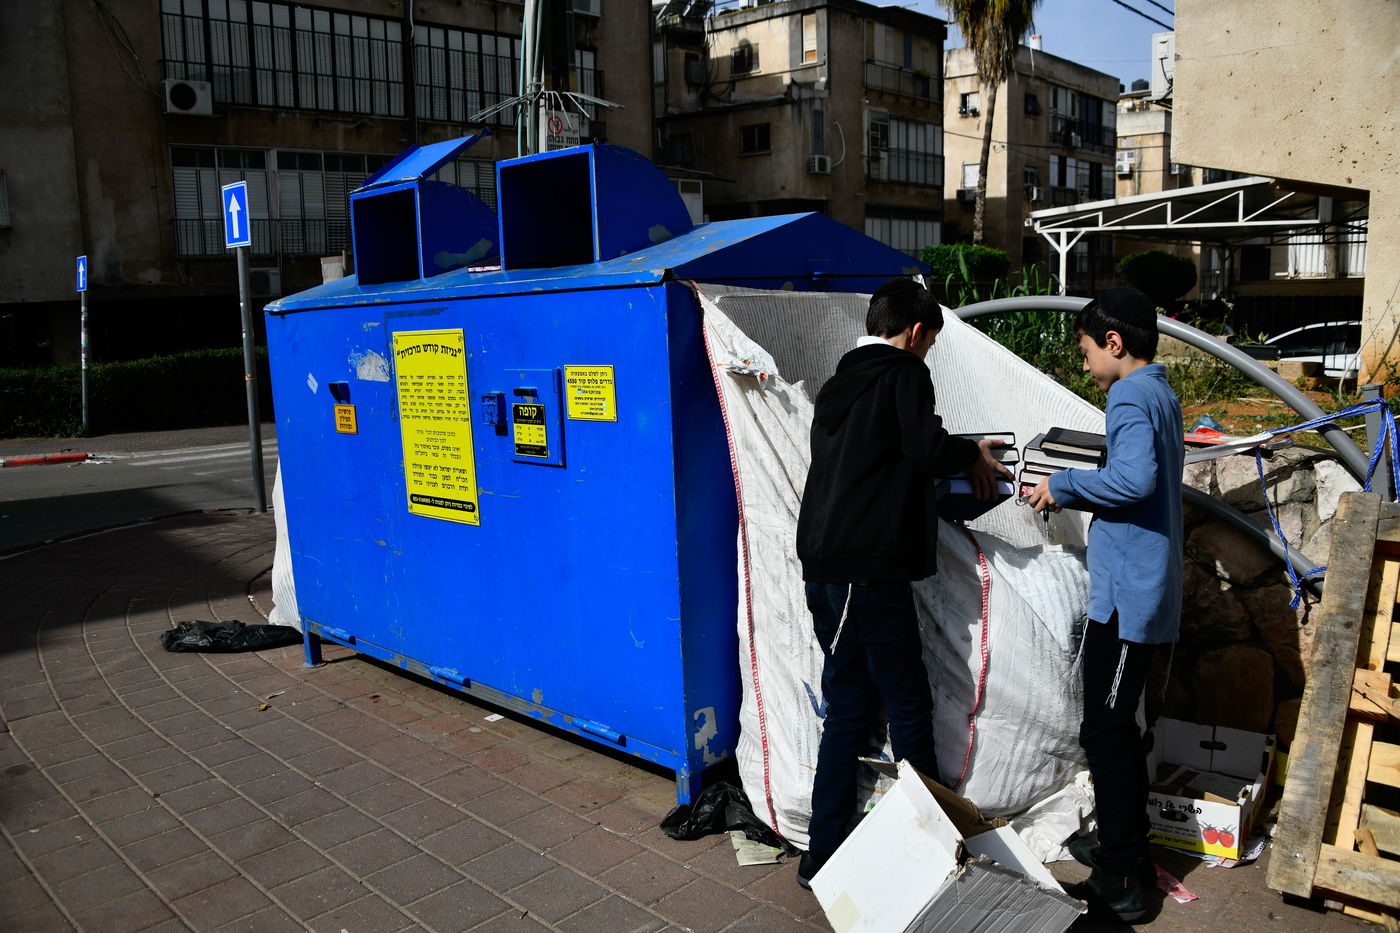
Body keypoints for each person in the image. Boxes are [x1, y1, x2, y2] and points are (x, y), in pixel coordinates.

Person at [794, 277, 1008, 890]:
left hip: (826, 568)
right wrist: (970, 454)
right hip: (869, 570)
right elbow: (924, 446)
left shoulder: (841, 382)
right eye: (930, 344)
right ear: (916, 333)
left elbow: (886, 454)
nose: (927, 356)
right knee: (908, 703)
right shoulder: (903, 374)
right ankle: (934, 852)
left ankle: (822, 856)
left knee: (851, 708)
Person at [1027, 287, 1183, 923]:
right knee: (1115, 727)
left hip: (1128, 598)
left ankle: (1122, 877)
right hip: (1134, 589)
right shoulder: (1161, 393)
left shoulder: (1129, 395)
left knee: (1108, 731)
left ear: (1115, 344)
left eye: (1087, 351)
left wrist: (1060, 486)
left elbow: (1133, 480)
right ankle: (1128, 848)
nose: (1085, 364)